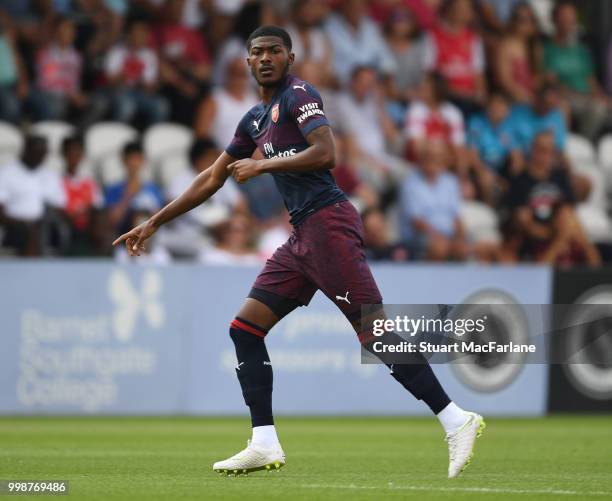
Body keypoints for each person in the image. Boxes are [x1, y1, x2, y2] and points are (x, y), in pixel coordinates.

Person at [113, 26, 484, 478]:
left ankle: (456, 419)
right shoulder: (254, 119)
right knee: (245, 329)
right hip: (302, 236)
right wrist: (153, 222)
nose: (265, 58)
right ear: (246, 62)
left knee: (375, 334)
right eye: (257, 52)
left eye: (274, 51)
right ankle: (263, 441)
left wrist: (264, 163)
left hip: (328, 224)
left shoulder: (299, 94)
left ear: (290, 57)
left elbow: (326, 152)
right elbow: (213, 178)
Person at [505, 131, 601, 266]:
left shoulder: (560, 177)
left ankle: (595, 268)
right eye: (543, 150)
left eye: (551, 151)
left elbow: (569, 209)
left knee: (569, 218)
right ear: (533, 150)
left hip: (560, 228)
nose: (547, 156)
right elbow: (522, 220)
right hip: (534, 236)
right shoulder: (520, 180)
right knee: (562, 225)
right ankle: (549, 263)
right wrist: (555, 236)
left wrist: (561, 233)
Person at [542, 1, 612, 140]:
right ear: (554, 20)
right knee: (597, 110)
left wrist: (602, 96)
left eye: (571, 19)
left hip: (587, 98)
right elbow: (551, 83)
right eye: (564, 18)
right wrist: (581, 96)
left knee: (603, 105)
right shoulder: (547, 50)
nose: (568, 23)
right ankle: (585, 145)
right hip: (567, 97)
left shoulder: (581, 51)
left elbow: (591, 80)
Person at [400, 140, 468, 261]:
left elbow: (457, 217)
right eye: (429, 156)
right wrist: (438, 237)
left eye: (437, 157)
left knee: (464, 249)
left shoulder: (450, 181)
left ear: (444, 160)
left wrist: (460, 238)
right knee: (439, 248)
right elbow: (416, 222)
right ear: (421, 158)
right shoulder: (410, 183)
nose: (433, 160)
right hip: (422, 236)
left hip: (449, 235)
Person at [0, 136, 65, 256]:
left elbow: (59, 206)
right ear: (26, 150)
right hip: (14, 225)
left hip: (44, 224)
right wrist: (23, 223)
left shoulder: (50, 175)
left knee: (57, 229)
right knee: (29, 232)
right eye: (36, 152)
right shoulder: (6, 173)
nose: (39, 157)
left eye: (42, 153)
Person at [104, 141, 163, 237]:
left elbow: (159, 220)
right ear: (124, 161)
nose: (134, 163)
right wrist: (129, 194)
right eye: (130, 159)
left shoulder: (153, 189)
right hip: (124, 240)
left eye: (137, 159)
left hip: (151, 242)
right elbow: (113, 222)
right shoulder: (113, 189)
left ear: (143, 161)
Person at [493, 2, 541, 104]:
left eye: (530, 20)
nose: (527, 24)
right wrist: (525, 96)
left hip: (533, 98)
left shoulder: (535, 46)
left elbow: (538, 77)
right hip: (511, 98)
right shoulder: (505, 46)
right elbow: (504, 81)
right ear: (513, 21)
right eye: (522, 20)